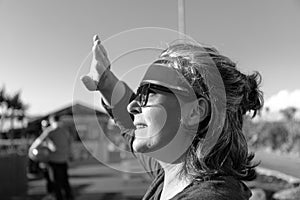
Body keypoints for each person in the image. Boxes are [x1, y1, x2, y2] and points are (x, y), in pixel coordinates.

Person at [81, 35, 263, 200]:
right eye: (137, 95)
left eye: (147, 93)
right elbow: (132, 127)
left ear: (194, 112)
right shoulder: (174, 172)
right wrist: (106, 82)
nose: (132, 105)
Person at [29, 115, 73, 200]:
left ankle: (58, 197)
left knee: (55, 183)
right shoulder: (65, 131)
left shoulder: (50, 131)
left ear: (51, 121)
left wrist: (31, 150)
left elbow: (38, 142)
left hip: (54, 160)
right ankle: (69, 197)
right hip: (63, 160)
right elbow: (70, 143)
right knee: (65, 182)